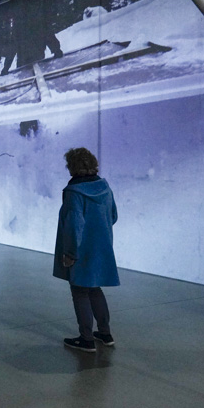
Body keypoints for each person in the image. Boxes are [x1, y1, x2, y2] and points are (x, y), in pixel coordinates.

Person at [53, 147, 119, 353]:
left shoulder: (74, 192)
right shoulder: (105, 188)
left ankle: (86, 338)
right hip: (101, 248)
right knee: (94, 288)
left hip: (81, 249)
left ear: (72, 167)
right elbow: (113, 216)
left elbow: (74, 225)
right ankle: (105, 333)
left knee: (80, 291)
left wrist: (70, 253)